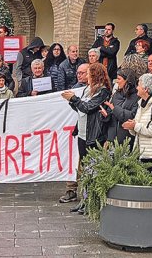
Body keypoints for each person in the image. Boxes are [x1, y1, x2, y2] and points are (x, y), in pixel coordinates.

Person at [63, 62, 111, 214]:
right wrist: (71, 100)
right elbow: (79, 108)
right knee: (84, 169)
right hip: (83, 133)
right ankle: (84, 200)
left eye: (89, 74)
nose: (86, 77)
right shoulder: (86, 89)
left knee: (93, 169)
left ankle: (91, 201)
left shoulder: (102, 92)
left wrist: (74, 99)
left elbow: (88, 107)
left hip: (93, 134)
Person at [59, 63, 90, 204]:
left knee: (85, 163)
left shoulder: (95, 90)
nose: (79, 75)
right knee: (71, 160)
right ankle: (71, 189)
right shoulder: (75, 89)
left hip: (88, 132)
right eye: (78, 72)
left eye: (83, 73)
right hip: (74, 131)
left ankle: (87, 193)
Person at [125, 73, 152, 173]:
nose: (136, 88)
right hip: (141, 152)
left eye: (139, 85)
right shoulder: (141, 103)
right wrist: (132, 127)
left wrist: (135, 125)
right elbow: (137, 130)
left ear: (146, 89)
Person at [99, 68, 139, 147]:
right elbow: (111, 115)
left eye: (119, 79)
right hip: (111, 139)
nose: (117, 81)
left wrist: (115, 109)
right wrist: (106, 115)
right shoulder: (116, 94)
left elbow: (132, 116)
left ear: (127, 81)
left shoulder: (137, 97)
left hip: (126, 142)